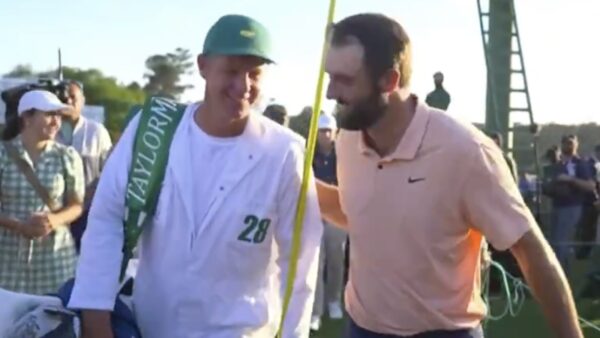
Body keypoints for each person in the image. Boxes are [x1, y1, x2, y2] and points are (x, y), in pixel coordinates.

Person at [316, 13, 583, 338]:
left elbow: (531, 252)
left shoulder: (466, 151)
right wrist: (296, 183)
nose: (330, 92)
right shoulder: (349, 139)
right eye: (330, 77)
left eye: (344, 80)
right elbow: (359, 213)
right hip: (362, 329)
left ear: (389, 81)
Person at [67, 14, 322, 338]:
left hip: (242, 330)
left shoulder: (285, 152)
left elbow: (301, 264)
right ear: (203, 66)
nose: (243, 86)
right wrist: (95, 317)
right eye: (231, 70)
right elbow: (106, 220)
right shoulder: (153, 132)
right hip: (153, 326)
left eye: (254, 73)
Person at [0, 90, 85, 295]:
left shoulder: (67, 156)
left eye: (58, 115)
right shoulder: (3, 154)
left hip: (55, 260)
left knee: (53, 320)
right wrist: (20, 226)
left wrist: (53, 221)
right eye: (49, 114)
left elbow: (76, 205)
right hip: (9, 259)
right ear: (27, 118)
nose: (56, 122)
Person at [57, 81, 113, 251]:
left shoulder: (97, 132)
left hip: (89, 213)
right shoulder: (48, 130)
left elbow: (108, 171)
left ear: (82, 100)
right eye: (63, 98)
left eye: (73, 97)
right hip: (55, 213)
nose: (68, 102)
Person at [310, 112, 346, 331]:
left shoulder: (343, 155)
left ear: (335, 133)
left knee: (336, 258)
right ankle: (315, 311)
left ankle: (334, 300)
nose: (325, 135)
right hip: (313, 213)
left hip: (337, 214)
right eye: (321, 131)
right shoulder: (308, 154)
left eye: (328, 131)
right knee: (316, 262)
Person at [543, 135, 595, 274]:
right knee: (554, 242)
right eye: (565, 143)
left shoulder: (581, 164)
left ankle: (563, 276)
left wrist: (570, 180)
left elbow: (590, 186)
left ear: (576, 144)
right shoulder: (557, 165)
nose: (568, 145)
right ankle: (557, 274)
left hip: (573, 206)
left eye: (571, 143)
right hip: (556, 205)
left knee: (562, 242)